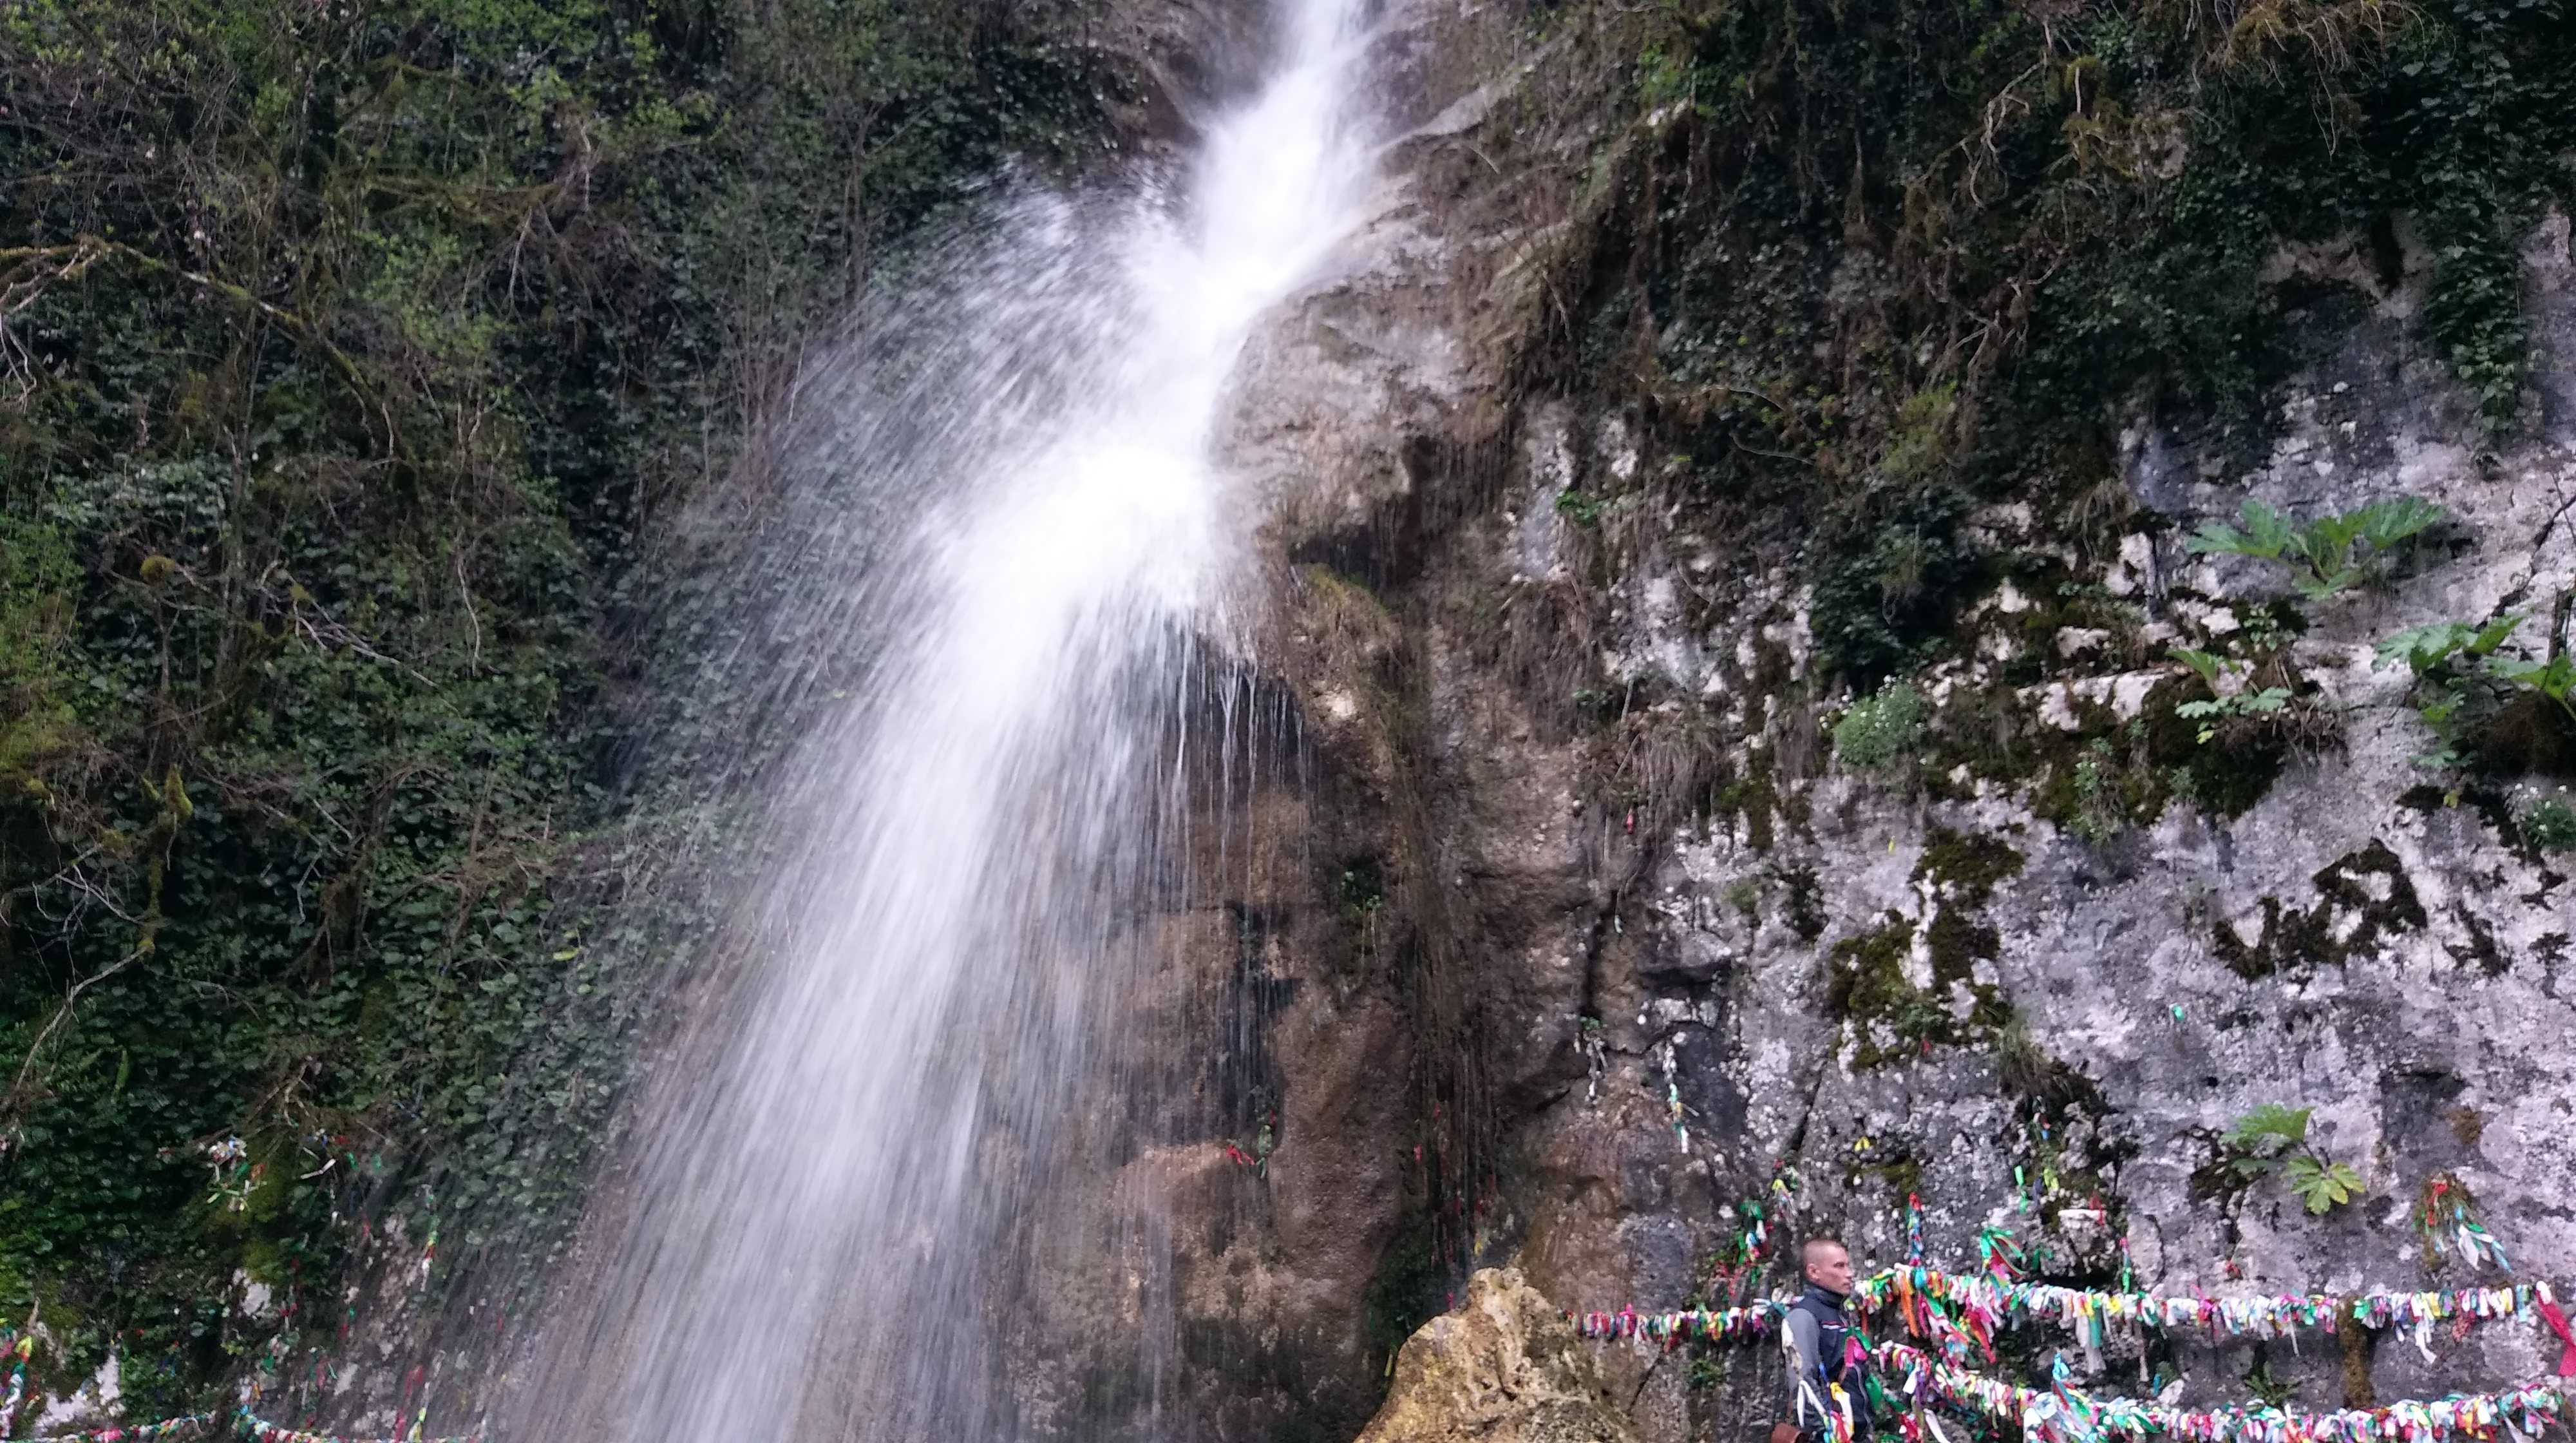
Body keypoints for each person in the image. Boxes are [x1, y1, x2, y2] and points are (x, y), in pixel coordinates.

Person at [1778, 1238, 1876, 1443]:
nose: (1849, 1274)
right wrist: (1826, 1433)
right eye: (1839, 1266)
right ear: (1814, 1272)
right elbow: (1803, 1382)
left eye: (1848, 1265)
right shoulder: (1804, 1316)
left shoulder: (1842, 1315)